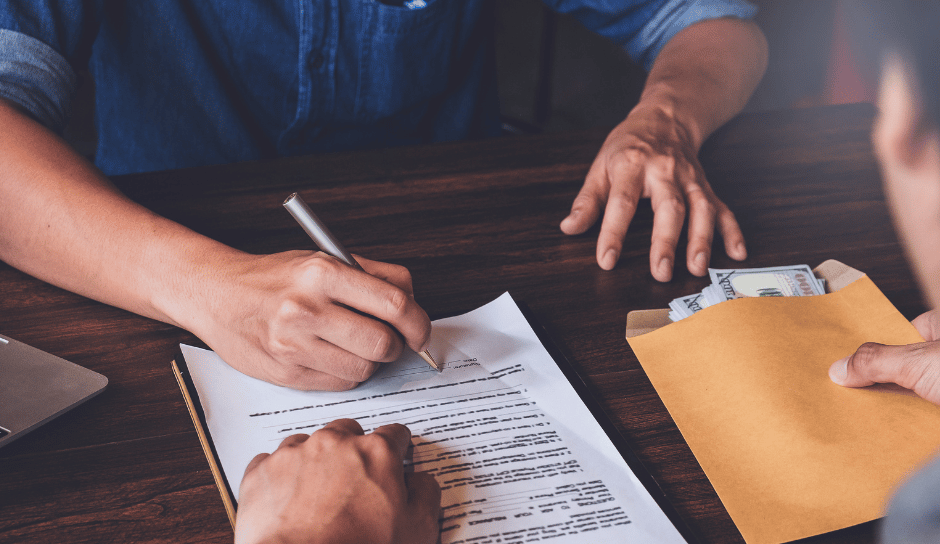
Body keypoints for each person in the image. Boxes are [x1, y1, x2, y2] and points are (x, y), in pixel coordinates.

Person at [64, 2, 940, 544]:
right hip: (118, 249)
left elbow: (709, 19)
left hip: (454, 218)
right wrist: (197, 283)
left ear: (897, 120)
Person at [0, 1, 767, 390]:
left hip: (462, 253)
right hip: (135, 266)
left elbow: (716, 23)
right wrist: (203, 285)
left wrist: (666, 117)